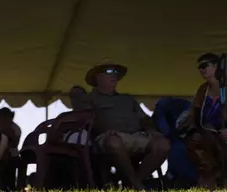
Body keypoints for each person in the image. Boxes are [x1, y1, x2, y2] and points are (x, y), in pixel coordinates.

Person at [73, 60, 170, 189]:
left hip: (136, 135)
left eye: (116, 72)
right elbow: (84, 120)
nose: (114, 75)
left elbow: (143, 118)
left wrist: (151, 129)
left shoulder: (128, 98)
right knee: (114, 143)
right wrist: (102, 129)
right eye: (108, 72)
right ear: (97, 77)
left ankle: (133, 184)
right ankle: (136, 185)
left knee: (163, 144)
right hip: (108, 136)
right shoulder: (90, 99)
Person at [183, 52, 227, 188]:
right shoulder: (203, 89)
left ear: (216, 67)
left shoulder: (224, 86)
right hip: (206, 131)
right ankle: (211, 177)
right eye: (200, 67)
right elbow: (195, 113)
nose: (201, 70)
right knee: (194, 141)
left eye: (205, 66)